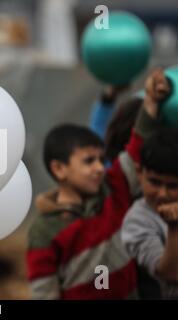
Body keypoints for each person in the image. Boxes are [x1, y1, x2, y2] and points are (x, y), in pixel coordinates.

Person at [26, 69, 169, 299]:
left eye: (101, 160)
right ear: (59, 169)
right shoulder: (44, 230)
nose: (100, 167)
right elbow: (44, 290)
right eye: (89, 161)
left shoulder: (114, 190)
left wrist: (151, 101)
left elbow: (136, 145)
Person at [122, 127, 178, 299]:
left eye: (173, 186)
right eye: (154, 182)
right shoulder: (137, 221)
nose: (162, 194)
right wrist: (174, 227)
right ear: (139, 173)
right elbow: (170, 273)